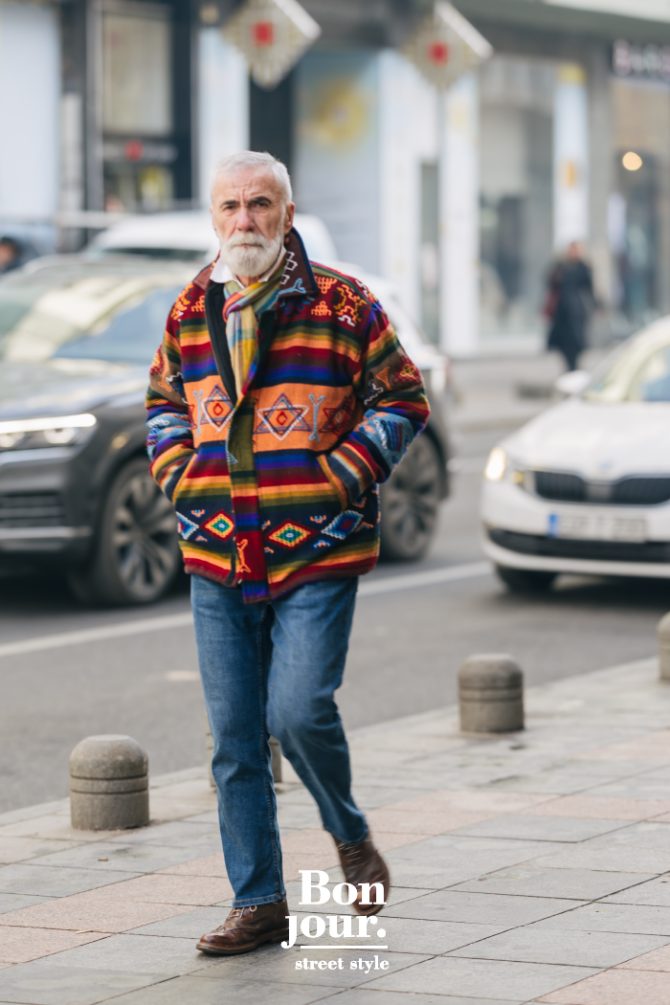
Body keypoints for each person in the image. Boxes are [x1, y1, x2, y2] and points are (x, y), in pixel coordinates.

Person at [145, 151, 430, 956]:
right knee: (235, 741)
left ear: (288, 213)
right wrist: (182, 477)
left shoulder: (344, 302)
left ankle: (349, 831)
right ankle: (260, 902)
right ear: (214, 217)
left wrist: (343, 476)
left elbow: (403, 396)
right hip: (217, 550)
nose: (245, 220)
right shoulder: (190, 307)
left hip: (317, 546)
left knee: (297, 711)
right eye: (230, 206)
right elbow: (163, 403)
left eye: (260, 204)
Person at [544, 240, 596, 372]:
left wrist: (594, 306)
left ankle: (574, 367)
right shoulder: (561, 267)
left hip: (577, 310)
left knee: (577, 342)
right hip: (562, 311)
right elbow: (550, 283)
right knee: (563, 342)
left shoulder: (583, 267)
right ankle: (569, 367)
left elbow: (590, 289)